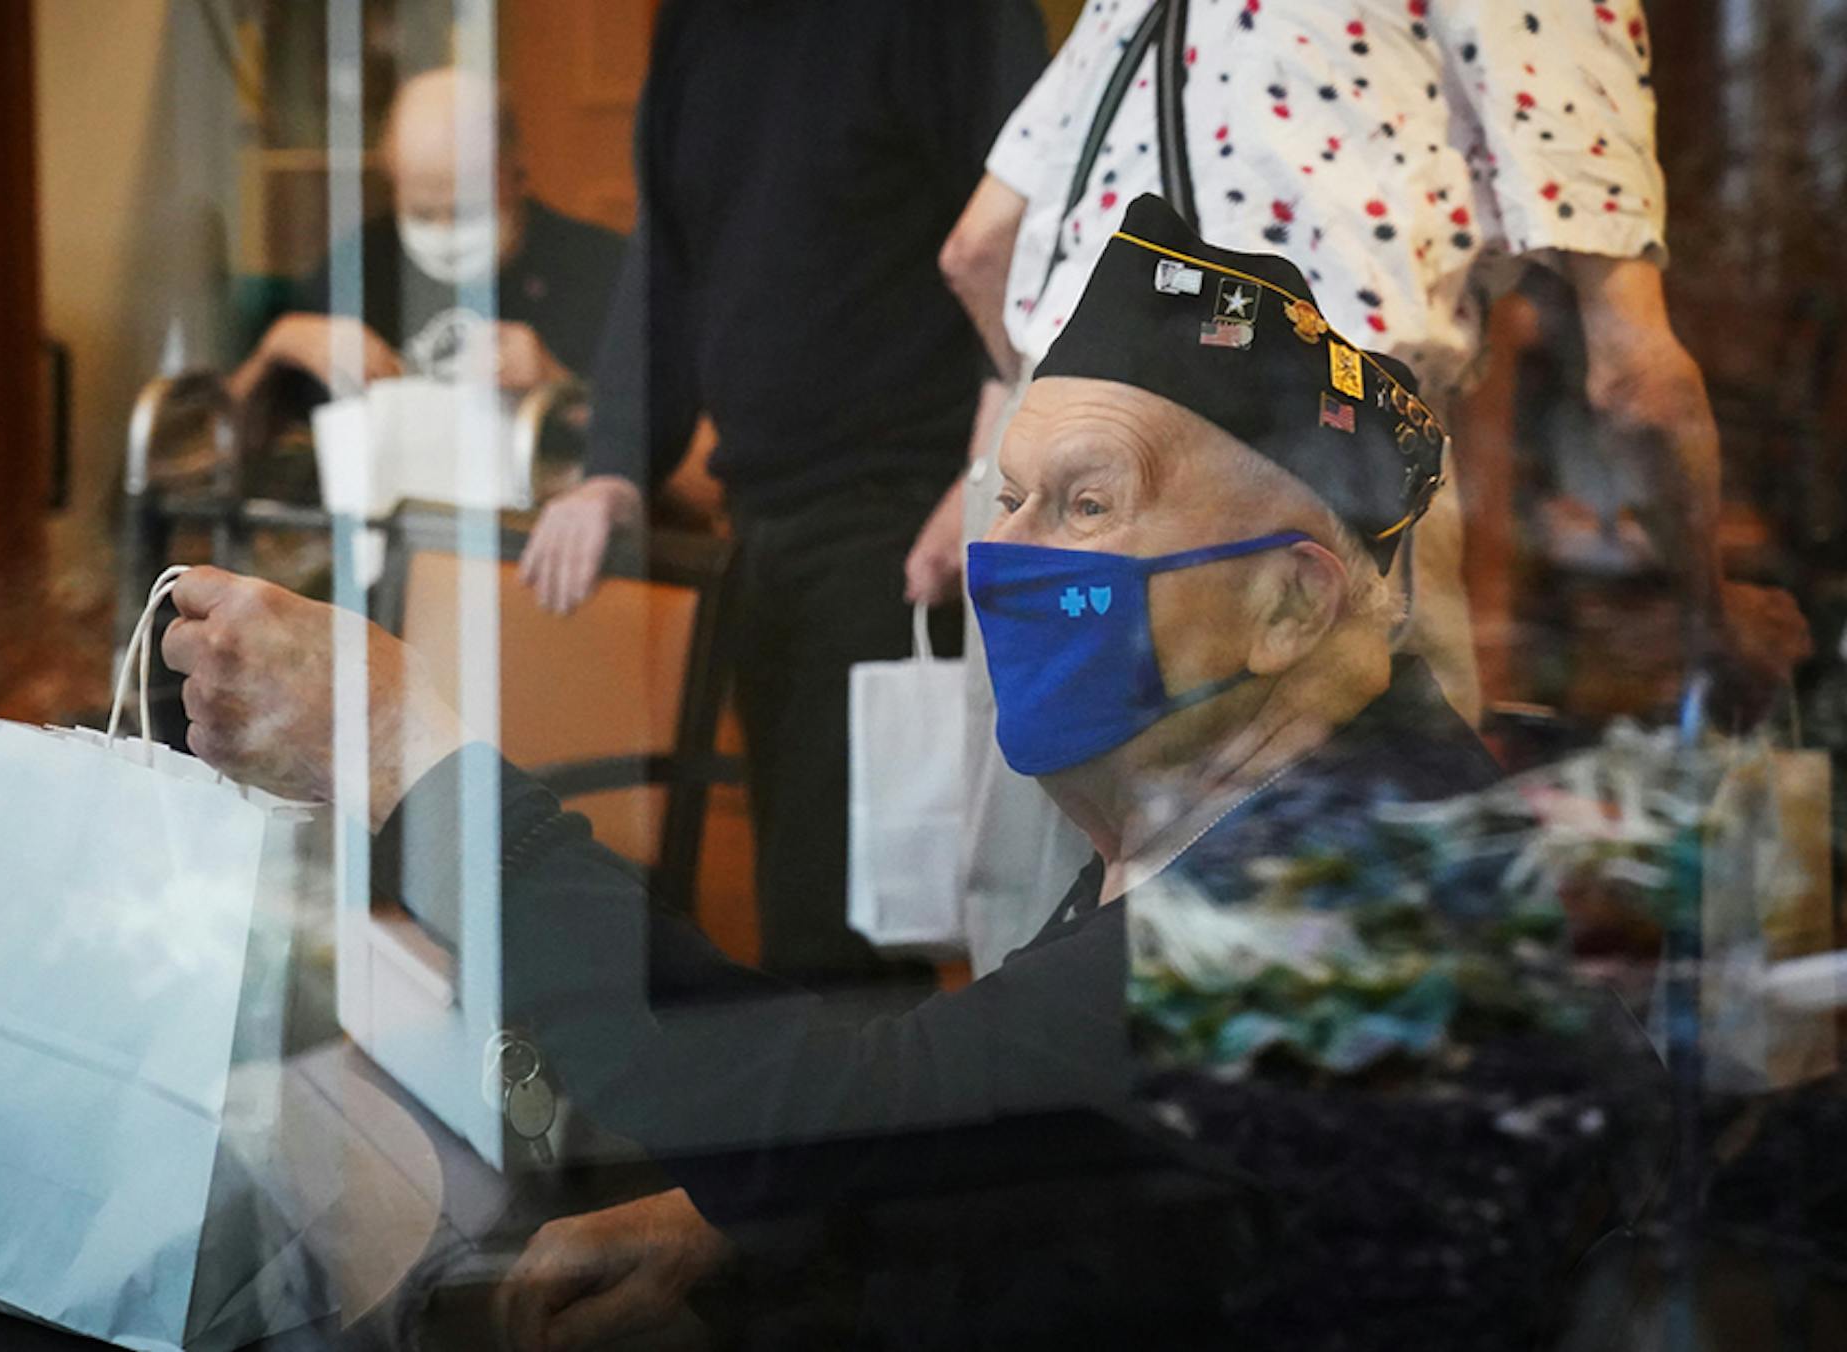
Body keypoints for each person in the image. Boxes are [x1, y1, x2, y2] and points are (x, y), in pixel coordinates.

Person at [163, 199, 1656, 1348]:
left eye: (1088, 504)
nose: (1012, 555)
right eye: (1006, 495)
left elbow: (853, 1108)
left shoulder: (1365, 882)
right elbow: (1052, 1175)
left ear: (1288, 604)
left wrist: (399, 756)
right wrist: (746, 1229)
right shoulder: (1218, 794)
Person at [936, 0, 1814, 971]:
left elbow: (978, 248)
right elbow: (1635, 375)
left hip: (1040, 481)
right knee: (1360, 959)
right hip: (1318, 477)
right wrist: (1713, 611)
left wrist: (1035, 463)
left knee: (1043, 947)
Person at [517, 0, 1050, 991]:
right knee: (805, 916)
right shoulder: (701, 23)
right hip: (763, 523)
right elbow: (666, 262)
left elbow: (1032, 229)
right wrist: (613, 470)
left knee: (847, 936)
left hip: (905, 518)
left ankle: (880, 1145)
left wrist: (983, 472)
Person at [230, 66, 625, 406]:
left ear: (517, 172)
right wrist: (276, 351)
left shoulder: (601, 270)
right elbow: (221, 448)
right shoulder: (361, 266)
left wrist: (558, 389)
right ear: (394, 185)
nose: (444, 233)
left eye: (466, 210)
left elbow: (666, 460)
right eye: (421, 211)